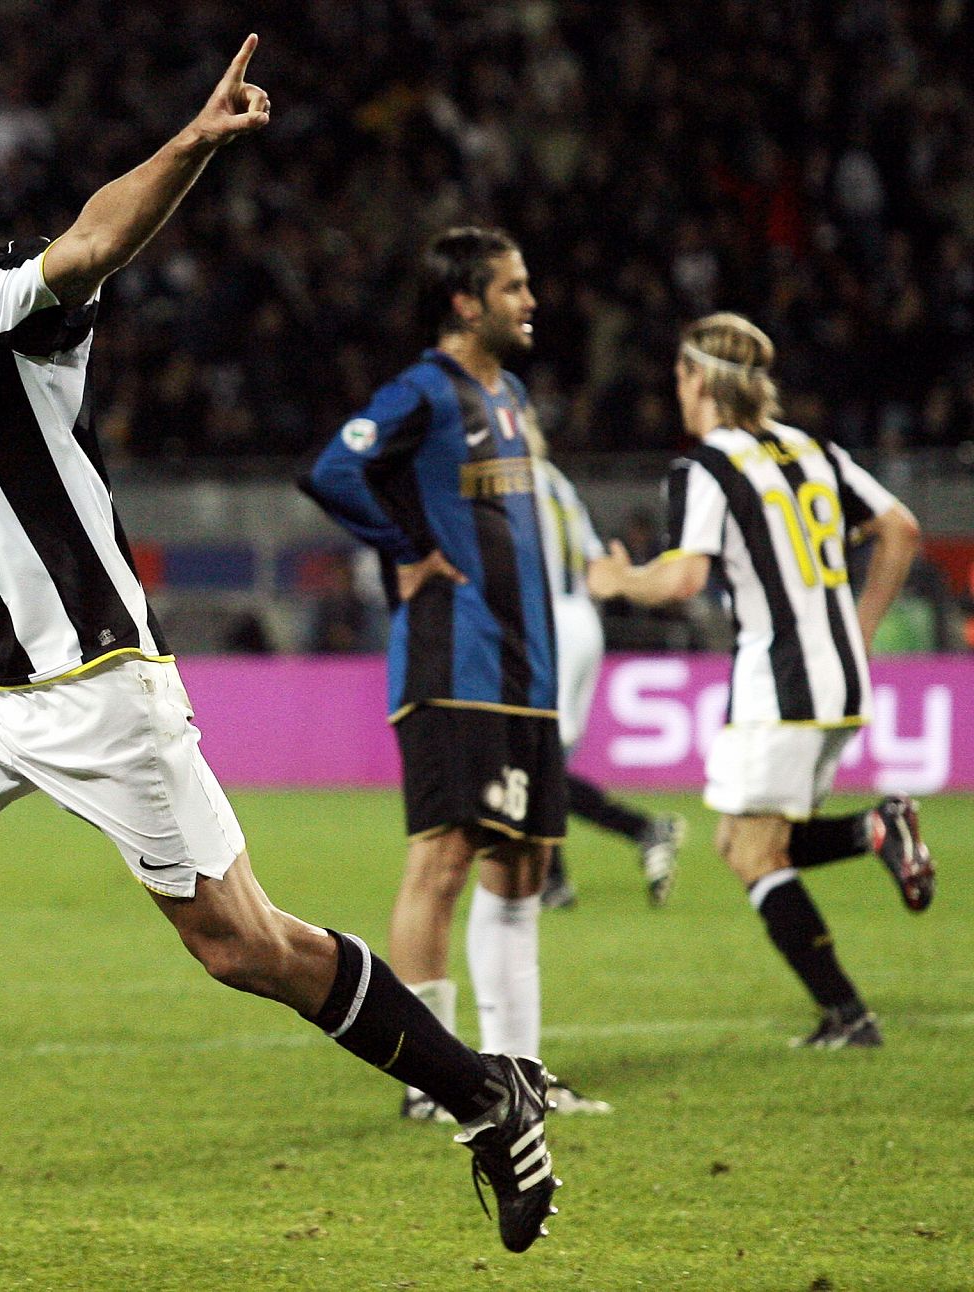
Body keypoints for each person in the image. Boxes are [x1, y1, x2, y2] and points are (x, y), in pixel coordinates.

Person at [0, 40, 561, 1277]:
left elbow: (92, 241)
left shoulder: (1, 298)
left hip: (97, 685)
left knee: (243, 945)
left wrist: (190, 144)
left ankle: (486, 1092)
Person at [302, 226, 605, 1122]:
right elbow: (331, 469)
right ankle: (429, 1082)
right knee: (442, 860)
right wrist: (408, 549)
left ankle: (518, 1069)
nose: (531, 300)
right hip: (454, 659)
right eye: (513, 287)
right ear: (466, 302)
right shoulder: (424, 392)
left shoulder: (509, 392)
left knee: (522, 866)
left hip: (528, 669)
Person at [587, 312, 935, 1049]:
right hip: (838, 676)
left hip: (780, 679)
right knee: (746, 843)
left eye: (681, 375)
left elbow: (683, 579)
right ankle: (875, 836)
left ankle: (849, 1013)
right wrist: (862, 626)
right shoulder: (815, 449)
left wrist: (621, 581)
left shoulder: (706, 466)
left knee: (752, 852)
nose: (676, 390)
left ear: (702, 380)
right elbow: (900, 527)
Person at [525, 437, 685, 911]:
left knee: (534, 759)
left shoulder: (510, 480)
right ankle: (555, 879)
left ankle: (639, 831)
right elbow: (597, 567)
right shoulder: (558, 482)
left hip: (547, 621)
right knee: (544, 764)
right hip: (582, 621)